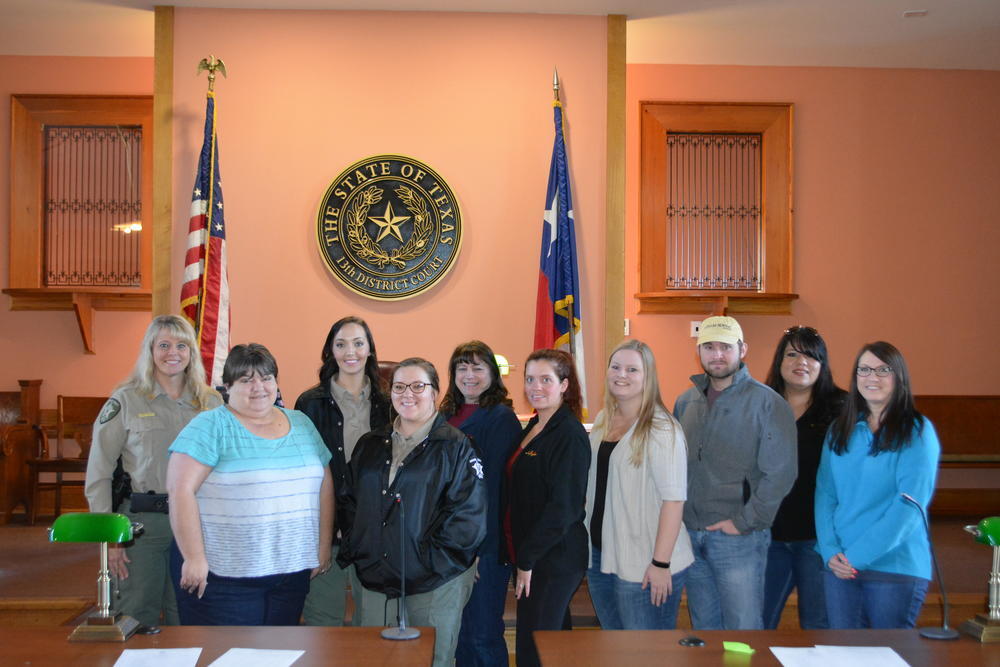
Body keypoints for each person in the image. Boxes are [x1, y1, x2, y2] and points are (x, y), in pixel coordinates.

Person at [166, 343, 333, 625]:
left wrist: (323, 546)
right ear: (227, 386)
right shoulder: (210, 426)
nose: (259, 387)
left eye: (266, 378)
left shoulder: (302, 423)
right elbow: (180, 490)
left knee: (278, 653)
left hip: (290, 571)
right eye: (246, 380)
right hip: (224, 575)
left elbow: (324, 485)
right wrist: (193, 558)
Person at [338, 357, 486, 667]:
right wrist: (362, 549)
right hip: (375, 577)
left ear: (435, 392)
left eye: (419, 386)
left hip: (434, 581)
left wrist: (426, 561)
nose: (409, 394)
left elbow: (467, 519)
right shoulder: (370, 445)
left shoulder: (456, 447)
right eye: (400, 386)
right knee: (374, 659)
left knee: (431, 660)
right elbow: (349, 503)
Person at [84, 314, 221, 628]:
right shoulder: (126, 400)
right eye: (163, 344)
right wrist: (110, 540)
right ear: (150, 350)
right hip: (141, 527)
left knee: (188, 617)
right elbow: (99, 473)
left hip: (197, 525)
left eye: (181, 345)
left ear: (191, 353)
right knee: (135, 617)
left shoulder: (211, 403)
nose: (172, 352)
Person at [673, 315, 797, 630]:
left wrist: (744, 523)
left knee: (742, 631)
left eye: (726, 347)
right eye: (709, 347)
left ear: (742, 350)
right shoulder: (686, 402)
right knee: (705, 626)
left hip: (738, 540)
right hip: (692, 536)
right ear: (698, 352)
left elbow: (781, 474)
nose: (717, 355)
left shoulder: (768, 403)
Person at [815, 341, 941, 629]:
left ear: (899, 377)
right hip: (839, 566)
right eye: (865, 369)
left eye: (883, 370)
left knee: (888, 656)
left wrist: (856, 558)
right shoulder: (840, 429)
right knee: (844, 657)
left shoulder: (917, 431)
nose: (872, 377)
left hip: (895, 567)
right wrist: (829, 550)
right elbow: (825, 493)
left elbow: (909, 507)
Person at [585, 339, 693, 630]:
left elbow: (674, 500)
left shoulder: (662, 428)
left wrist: (660, 564)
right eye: (616, 367)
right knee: (617, 648)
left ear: (648, 377)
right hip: (601, 555)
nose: (622, 374)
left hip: (645, 560)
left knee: (647, 654)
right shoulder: (603, 419)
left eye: (632, 369)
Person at [295, 316, 390, 626]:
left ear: (370, 350)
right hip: (325, 529)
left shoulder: (388, 403)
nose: (351, 352)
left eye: (358, 343)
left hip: (374, 530)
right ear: (330, 352)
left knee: (375, 623)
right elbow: (302, 472)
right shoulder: (310, 403)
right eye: (341, 344)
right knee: (323, 622)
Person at [503, 349, 590, 667]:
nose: (535, 387)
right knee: (552, 644)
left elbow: (564, 507)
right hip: (532, 556)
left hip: (554, 559)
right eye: (529, 379)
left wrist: (527, 559)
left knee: (534, 648)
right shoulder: (535, 426)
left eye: (545, 380)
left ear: (564, 385)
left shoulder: (568, 434)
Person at [440, 341, 523, 667]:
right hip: (448, 546)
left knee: (482, 633)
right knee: (457, 633)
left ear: (492, 373)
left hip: (483, 548)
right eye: (462, 367)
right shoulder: (444, 415)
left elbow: (492, 490)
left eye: (478, 367)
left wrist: (473, 549)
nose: (469, 375)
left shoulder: (500, 418)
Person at [762, 326, 846, 629]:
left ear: (822, 364)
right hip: (768, 536)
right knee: (756, 624)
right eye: (793, 354)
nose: (802, 362)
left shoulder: (843, 408)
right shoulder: (762, 403)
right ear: (779, 361)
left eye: (811, 356)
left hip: (819, 538)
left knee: (818, 624)